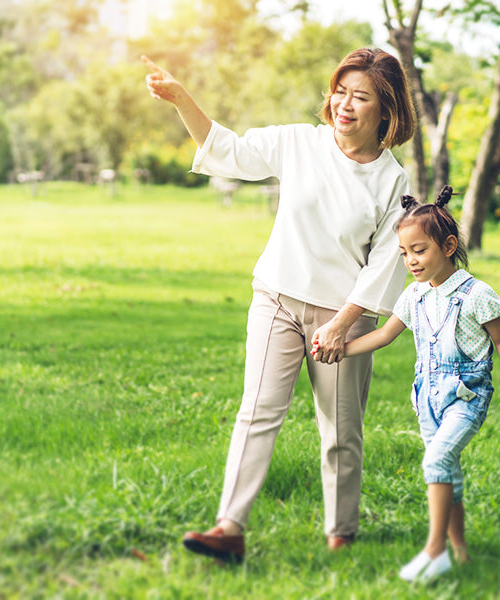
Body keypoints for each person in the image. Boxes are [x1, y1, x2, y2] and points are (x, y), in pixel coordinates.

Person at [143, 47, 417, 562]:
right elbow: (228, 149)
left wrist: (342, 326)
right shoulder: (299, 142)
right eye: (341, 91)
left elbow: (386, 263)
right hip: (277, 298)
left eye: (361, 97)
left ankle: (342, 533)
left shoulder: (392, 180)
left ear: (386, 111)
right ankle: (229, 527)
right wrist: (181, 98)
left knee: (341, 431)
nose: (345, 104)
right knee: (257, 413)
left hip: (343, 320)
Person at [312, 185, 500, 582]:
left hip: (467, 398)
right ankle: (461, 551)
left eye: (420, 250)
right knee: (448, 471)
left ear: (448, 246)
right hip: (427, 399)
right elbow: (383, 336)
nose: (411, 261)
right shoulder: (414, 297)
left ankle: (435, 552)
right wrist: (340, 348)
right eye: (404, 253)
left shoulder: (477, 295)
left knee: (435, 462)